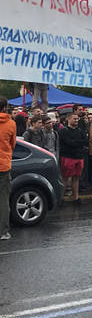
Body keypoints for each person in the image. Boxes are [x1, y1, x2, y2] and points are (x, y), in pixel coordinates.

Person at [59, 113, 88, 204]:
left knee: (76, 177)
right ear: (68, 119)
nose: (76, 120)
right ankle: (61, 198)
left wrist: (76, 142)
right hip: (68, 157)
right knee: (65, 178)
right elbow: (69, 143)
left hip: (79, 157)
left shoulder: (80, 130)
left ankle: (76, 197)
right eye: (74, 119)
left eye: (77, 119)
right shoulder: (64, 130)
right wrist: (79, 142)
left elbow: (86, 141)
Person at [0, 97, 16, 241]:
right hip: (4, 165)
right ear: (5, 107)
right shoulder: (11, 123)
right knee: (3, 199)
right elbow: (13, 144)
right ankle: (3, 231)